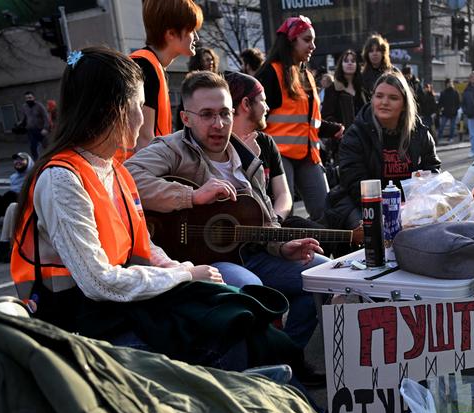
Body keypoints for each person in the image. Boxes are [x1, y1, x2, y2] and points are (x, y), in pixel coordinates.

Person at [9, 47, 301, 375]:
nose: (143, 118)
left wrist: (184, 269)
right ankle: (246, 390)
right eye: (139, 106)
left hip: (120, 305)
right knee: (218, 331)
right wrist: (184, 276)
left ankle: (268, 385)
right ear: (113, 111)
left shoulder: (113, 169)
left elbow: (143, 247)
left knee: (235, 311)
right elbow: (99, 283)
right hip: (82, 322)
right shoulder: (62, 179)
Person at [126, 71, 329, 361]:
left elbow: (265, 218)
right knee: (251, 289)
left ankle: (289, 358)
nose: (218, 124)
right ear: (186, 119)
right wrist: (191, 196)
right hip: (202, 260)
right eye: (207, 115)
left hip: (252, 252)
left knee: (320, 275)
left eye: (224, 113)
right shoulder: (172, 148)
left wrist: (281, 246)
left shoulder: (246, 157)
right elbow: (128, 178)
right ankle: (261, 365)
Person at [325, 71, 441, 230]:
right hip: (362, 204)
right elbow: (355, 183)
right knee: (374, 231)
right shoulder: (356, 134)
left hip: (410, 206)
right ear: (372, 99)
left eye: (393, 98)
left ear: (404, 104)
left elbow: (433, 169)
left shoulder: (419, 133)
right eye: (379, 96)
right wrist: (391, 209)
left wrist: (416, 200)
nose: (384, 102)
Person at [256, 15, 343, 221]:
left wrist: (333, 129)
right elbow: (254, 118)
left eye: (313, 40)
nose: (313, 46)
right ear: (290, 41)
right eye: (307, 40)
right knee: (284, 215)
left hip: (308, 155)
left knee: (325, 212)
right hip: (278, 155)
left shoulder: (307, 75)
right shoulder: (271, 73)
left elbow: (307, 122)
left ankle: (320, 242)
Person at [121, 0, 203, 161]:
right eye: (191, 30)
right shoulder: (145, 66)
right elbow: (143, 139)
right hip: (133, 169)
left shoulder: (151, 64)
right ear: (171, 34)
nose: (197, 37)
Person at [174, 46, 219, 130]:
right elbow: (184, 107)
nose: (211, 62)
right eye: (207, 60)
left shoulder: (217, 82)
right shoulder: (191, 82)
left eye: (211, 59)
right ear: (199, 62)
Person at [17, 91, 50, 159]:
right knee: (33, 147)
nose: (28, 99)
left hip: (41, 130)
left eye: (30, 97)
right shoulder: (24, 107)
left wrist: (46, 128)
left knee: (46, 147)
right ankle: (36, 162)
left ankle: (49, 159)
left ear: (33, 98)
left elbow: (46, 117)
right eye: (26, 98)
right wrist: (20, 124)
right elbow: (24, 118)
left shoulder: (39, 106)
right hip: (31, 130)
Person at [361, 33, 395, 98]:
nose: (374, 53)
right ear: (367, 54)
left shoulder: (393, 72)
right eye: (371, 51)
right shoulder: (362, 76)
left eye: (378, 50)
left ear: (383, 53)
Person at [438, 77, 461, 143]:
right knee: (442, 126)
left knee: (452, 127)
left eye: (451, 83)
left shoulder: (455, 92)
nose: (450, 84)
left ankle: (451, 138)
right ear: (446, 84)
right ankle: (439, 138)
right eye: (448, 83)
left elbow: (458, 102)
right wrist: (440, 109)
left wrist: (456, 109)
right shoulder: (443, 93)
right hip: (445, 112)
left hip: (453, 112)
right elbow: (440, 103)